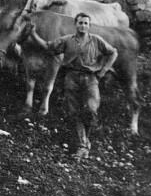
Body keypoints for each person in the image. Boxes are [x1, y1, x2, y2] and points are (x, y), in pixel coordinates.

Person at [48, 13, 118, 159]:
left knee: (91, 109)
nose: (83, 26)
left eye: (86, 23)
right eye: (80, 23)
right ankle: (83, 145)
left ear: (89, 26)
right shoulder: (67, 40)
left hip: (91, 78)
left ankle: (85, 142)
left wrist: (103, 70)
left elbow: (113, 53)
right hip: (71, 78)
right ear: (75, 24)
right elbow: (50, 48)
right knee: (74, 111)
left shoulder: (96, 40)